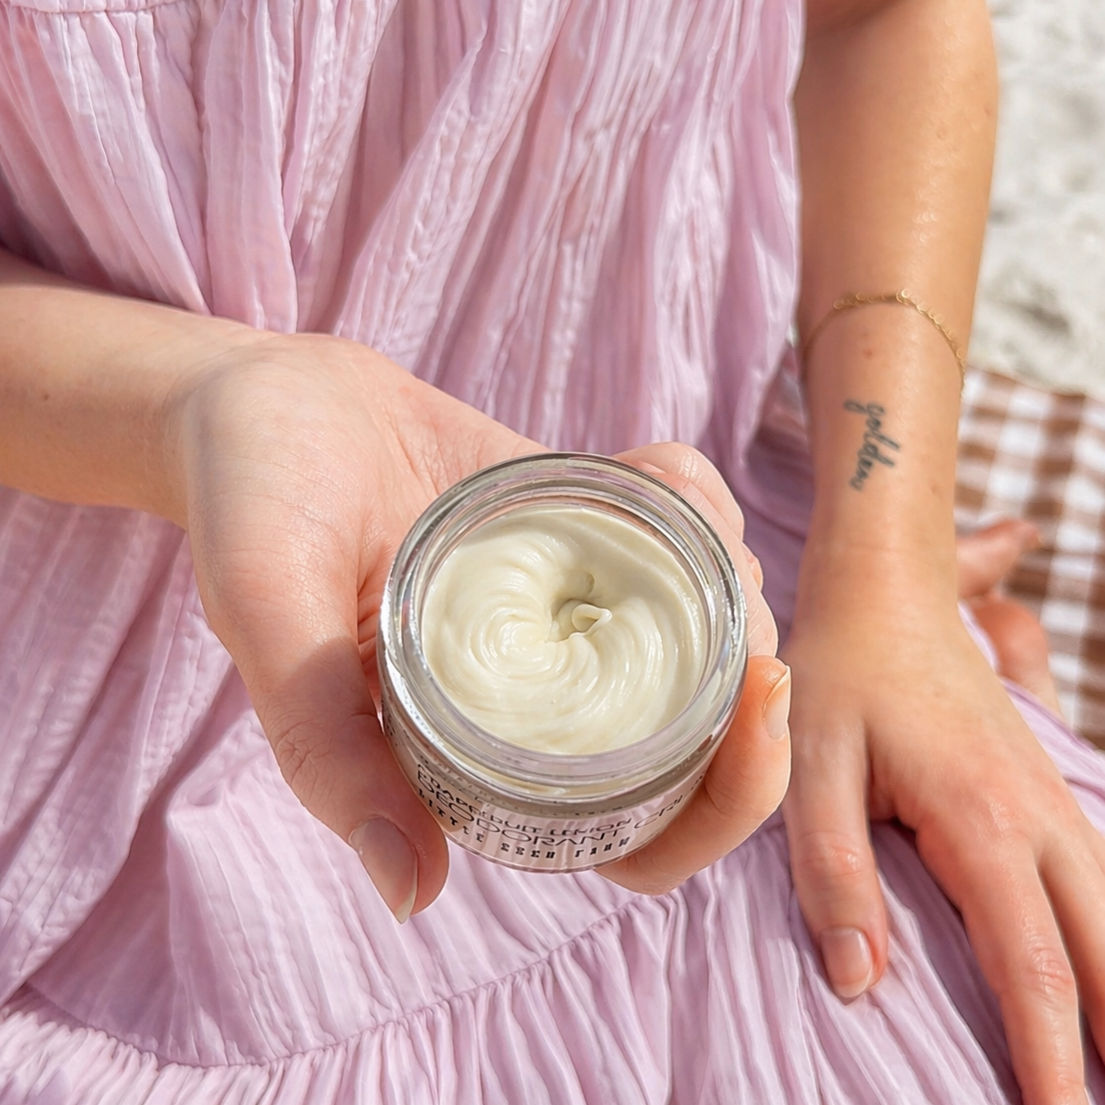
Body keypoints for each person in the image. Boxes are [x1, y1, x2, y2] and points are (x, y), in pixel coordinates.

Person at [0, 0, 1102, 1101]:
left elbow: (882, 19)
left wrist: (887, 579)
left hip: (704, 541)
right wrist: (188, 401)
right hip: (94, 669)